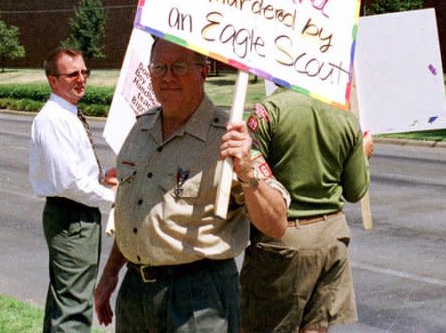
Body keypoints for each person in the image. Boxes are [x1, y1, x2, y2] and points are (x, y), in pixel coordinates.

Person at [93, 38, 290, 333]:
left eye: (178, 67)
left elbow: (276, 224)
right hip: (136, 293)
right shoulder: (140, 129)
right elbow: (135, 213)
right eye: (159, 67)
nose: (167, 76)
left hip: (197, 298)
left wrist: (247, 173)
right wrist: (110, 273)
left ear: (203, 72)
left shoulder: (229, 138)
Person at [239, 87, 373, 333]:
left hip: (283, 241)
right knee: (316, 327)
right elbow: (355, 190)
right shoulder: (345, 116)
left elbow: (250, 170)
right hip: (332, 238)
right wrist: (363, 156)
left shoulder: (268, 112)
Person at [29, 47, 117, 333]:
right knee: (74, 310)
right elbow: (71, 183)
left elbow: (75, 171)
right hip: (73, 218)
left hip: (74, 215)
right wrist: (112, 196)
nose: (81, 79)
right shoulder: (54, 119)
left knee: (64, 302)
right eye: (72, 74)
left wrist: (102, 178)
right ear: (53, 80)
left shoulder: (67, 114)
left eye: (84, 72)